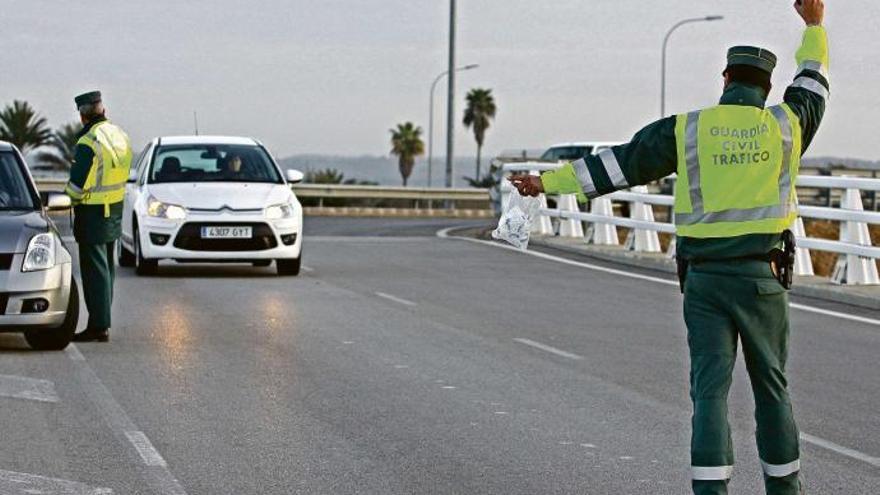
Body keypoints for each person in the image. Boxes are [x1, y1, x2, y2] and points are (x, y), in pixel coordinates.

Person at [512, 2, 827, 494]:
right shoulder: (787, 126)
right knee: (771, 388)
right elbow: (812, 80)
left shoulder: (688, 130)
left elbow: (618, 165)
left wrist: (546, 181)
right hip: (763, 279)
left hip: (703, 281)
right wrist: (813, 25)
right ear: (766, 88)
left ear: (725, 79)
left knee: (709, 393)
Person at [64, 91, 133, 343]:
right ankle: (101, 321)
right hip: (113, 208)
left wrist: (67, 198)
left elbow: (77, 185)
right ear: (102, 110)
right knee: (106, 270)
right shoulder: (118, 135)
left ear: (82, 115)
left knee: (94, 272)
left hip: (93, 211)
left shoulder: (89, 141)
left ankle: (98, 325)